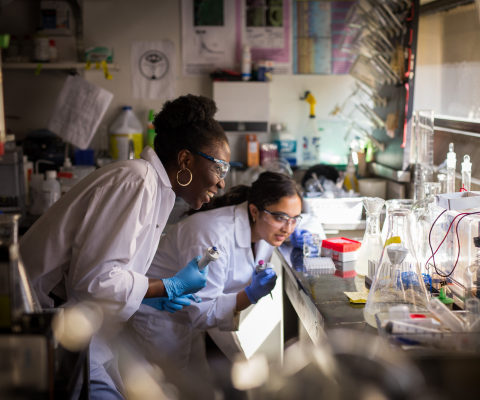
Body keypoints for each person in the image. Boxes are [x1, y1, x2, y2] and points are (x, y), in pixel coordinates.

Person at [19, 94, 231, 399]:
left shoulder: (156, 189)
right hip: (47, 324)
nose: (222, 182)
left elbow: (105, 272)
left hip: (76, 324)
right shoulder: (136, 181)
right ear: (185, 160)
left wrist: (146, 296)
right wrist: (164, 287)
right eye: (220, 168)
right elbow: (95, 280)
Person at [126, 172, 302, 378]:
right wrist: (250, 295)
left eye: (295, 219)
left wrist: (304, 234)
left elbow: (298, 221)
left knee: (195, 390)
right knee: (162, 390)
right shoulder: (213, 237)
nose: (288, 228)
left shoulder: (265, 228)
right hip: (159, 321)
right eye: (281, 218)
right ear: (254, 210)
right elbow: (203, 311)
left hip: (190, 320)